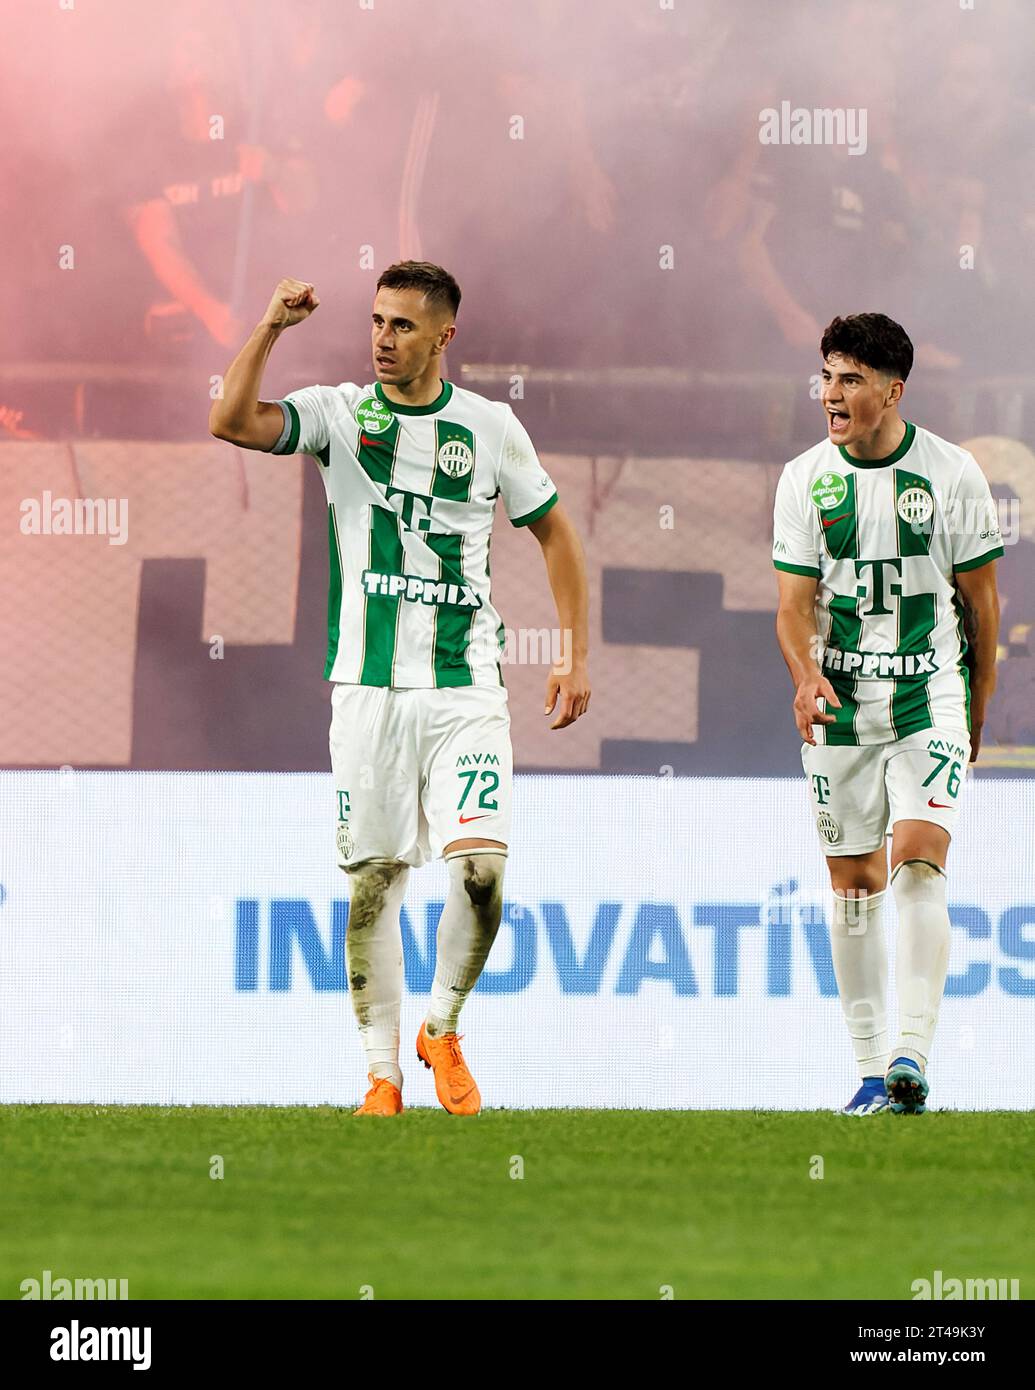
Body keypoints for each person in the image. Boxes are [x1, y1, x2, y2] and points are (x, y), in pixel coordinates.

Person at [209, 261, 591, 1115]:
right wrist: (271, 326)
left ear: (443, 336)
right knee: (375, 879)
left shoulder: (489, 428)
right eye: (377, 322)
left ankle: (441, 1027)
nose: (383, 339)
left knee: (482, 873)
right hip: (368, 690)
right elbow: (230, 420)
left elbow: (556, 535)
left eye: (403, 326)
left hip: (466, 688)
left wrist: (572, 654)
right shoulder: (338, 414)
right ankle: (381, 1076)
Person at [772, 314, 1002, 1115]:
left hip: (925, 694)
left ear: (891, 391)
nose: (831, 395)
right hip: (839, 704)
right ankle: (870, 1072)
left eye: (850, 380)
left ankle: (910, 1052)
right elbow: (791, 606)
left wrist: (975, 710)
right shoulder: (803, 478)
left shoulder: (952, 473)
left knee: (918, 860)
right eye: (827, 377)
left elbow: (981, 603)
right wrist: (804, 674)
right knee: (853, 883)